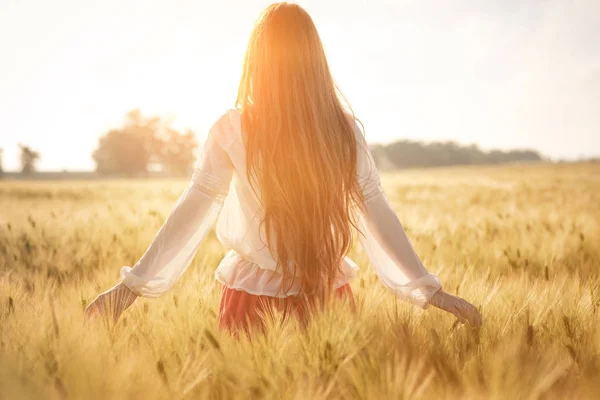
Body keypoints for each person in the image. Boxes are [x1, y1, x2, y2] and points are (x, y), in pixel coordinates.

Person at [85, 2, 482, 332]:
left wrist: (129, 289)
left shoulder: (235, 129)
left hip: (251, 301)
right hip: (328, 301)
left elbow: (194, 208)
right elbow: (375, 210)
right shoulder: (341, 130)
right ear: (314, 59)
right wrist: (428, 290)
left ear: (257, 60)